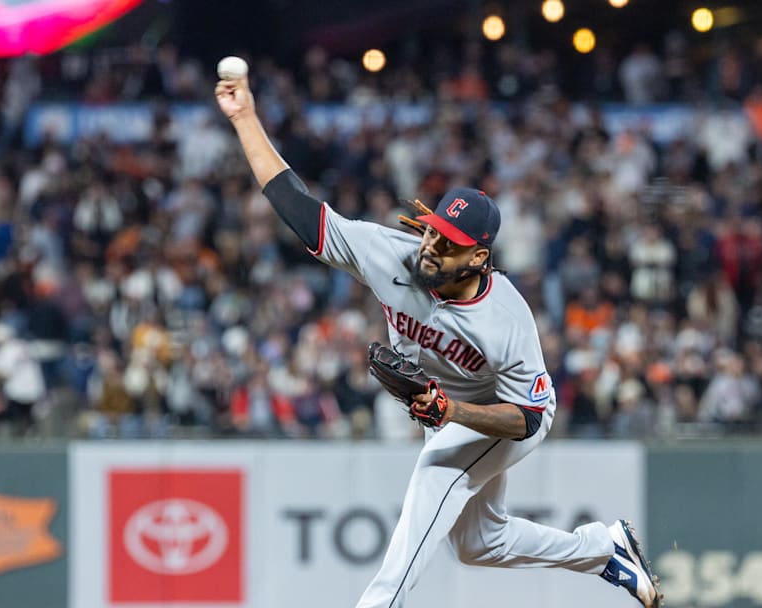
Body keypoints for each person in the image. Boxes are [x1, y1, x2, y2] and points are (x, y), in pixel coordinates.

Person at [216, 69, 661, 608]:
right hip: (443, 409)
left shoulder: (505, 316)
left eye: (448, 244)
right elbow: (297, 206)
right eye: (430, 230)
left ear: (478, 256)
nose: (430, 247)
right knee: (480, 543)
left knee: (436, 475)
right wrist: (244, 119)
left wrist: (452, 412)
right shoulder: (390, 253)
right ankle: (602, 549)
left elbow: (527, 418)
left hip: (501, 414)